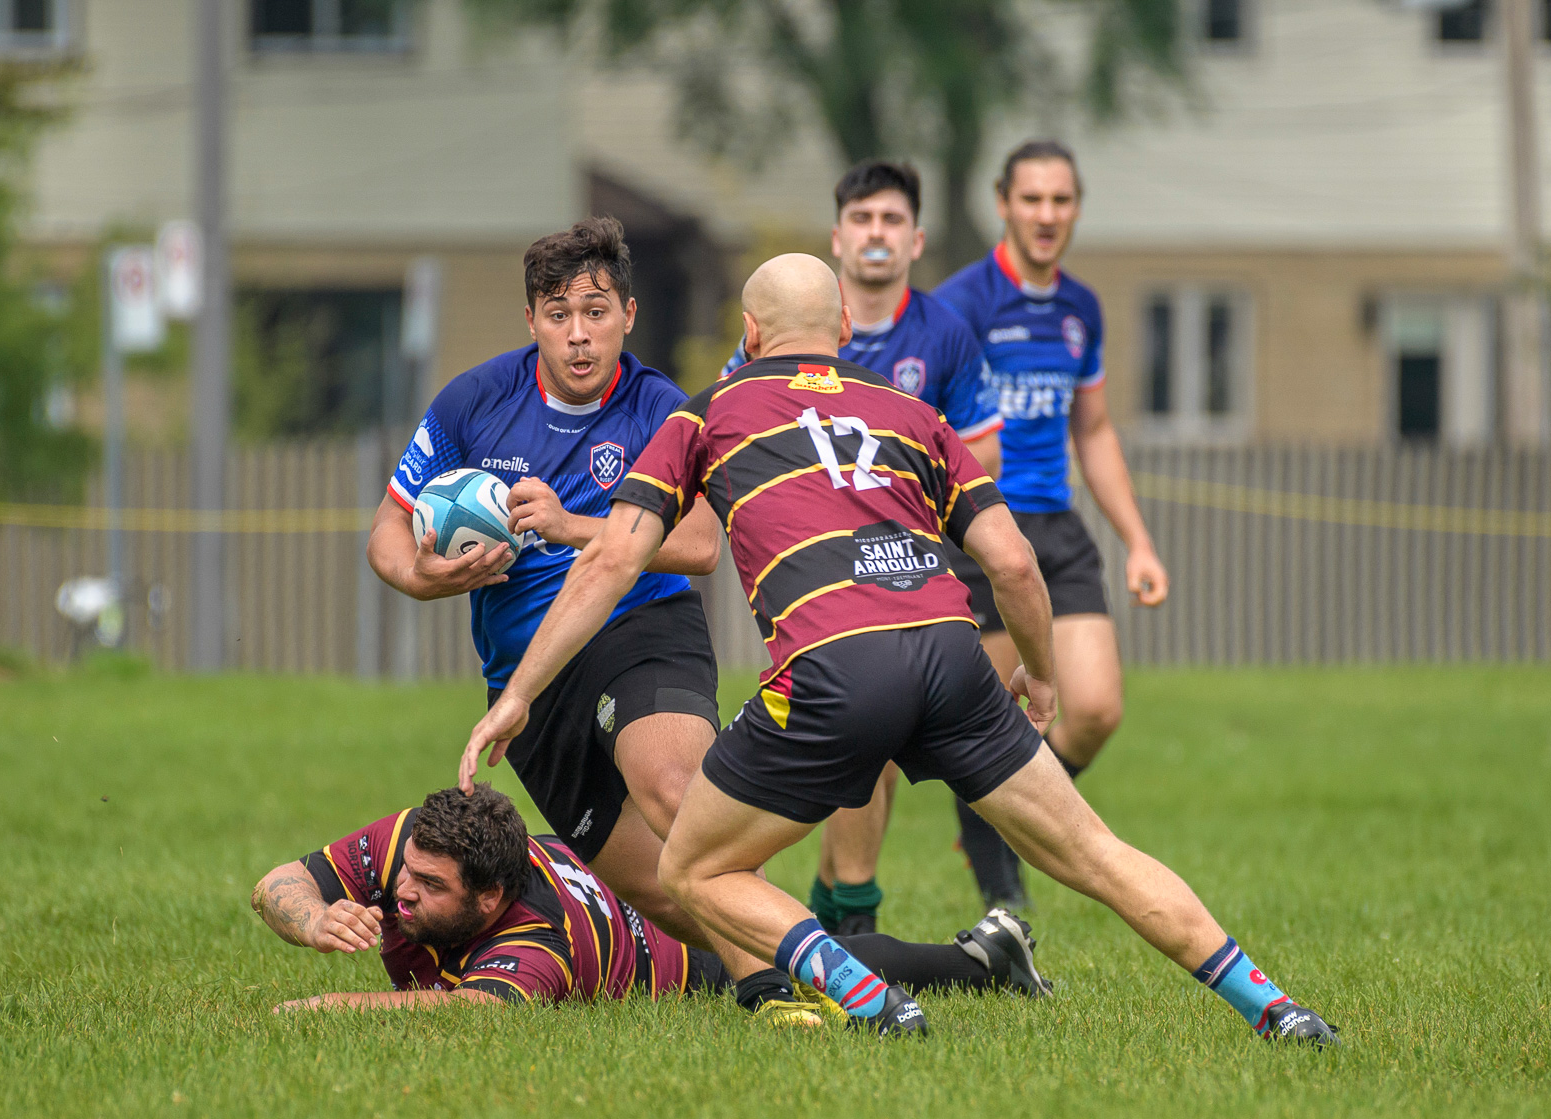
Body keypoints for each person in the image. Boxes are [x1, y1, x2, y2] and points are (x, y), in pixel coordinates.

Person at [461, 253, 1337, 1045]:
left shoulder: (706, 415)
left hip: (834, 669)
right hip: (954, 660)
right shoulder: (914, 414)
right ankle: (1276, 1008)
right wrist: (1038, 672)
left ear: (750, 335)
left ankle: (872, 998)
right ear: (845, 328)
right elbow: (1012, 563)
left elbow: (610, 561)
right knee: (1097, 853)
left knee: (691, 868)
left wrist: (519, 693)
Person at [365, 216, 824, 1022]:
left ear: (628, 316)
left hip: (642, 633)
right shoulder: (474, 402)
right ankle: (896, 966)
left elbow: (699, 544)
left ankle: (774, 997)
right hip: (531, 681)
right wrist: (424, 577)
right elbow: (388, 529)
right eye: (558, 314)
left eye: (596, 311)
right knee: (673, 894)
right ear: (531, 321)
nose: (578, 335)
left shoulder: (661, 410)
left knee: (674, 790)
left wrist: (572, 525)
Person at [723, 160, 1005, 936]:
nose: (876, 233)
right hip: (811, 569)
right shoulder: (784, 332)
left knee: (877, 728)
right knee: (867, 730)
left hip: (908, 559)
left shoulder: (944, 334)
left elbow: (984, 454)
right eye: (862, 219)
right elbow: (726, 426)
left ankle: (845, 913)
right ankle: (848, 914)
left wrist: (900, 489)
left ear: (915, 240)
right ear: (838, 239)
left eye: (891, 220)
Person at [252, 783, 1051, 1018]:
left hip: (675, 951)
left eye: (431, 888)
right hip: (610, 870)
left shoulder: (534, 943)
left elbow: (471, 1016)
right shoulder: (413, 841)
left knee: (797, 962)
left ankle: (980, 960)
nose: (402, 890)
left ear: (491, 899)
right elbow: (273, 884)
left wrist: (325, 1006)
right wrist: (314, 918)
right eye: (408, 874)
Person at [931, 138, 1170, 911]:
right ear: (1004, 203)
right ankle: (1003, 890)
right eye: (1031, 198)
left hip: (1058, 528)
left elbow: (1092, 430)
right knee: (1001, 718)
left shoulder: (1081, 308)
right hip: (980, 529)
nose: (1046, 214)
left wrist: (1138, 542)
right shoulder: (961, 305)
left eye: (1060, 200)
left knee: (1094, 709)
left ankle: (998, 820)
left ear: (1076, 209)